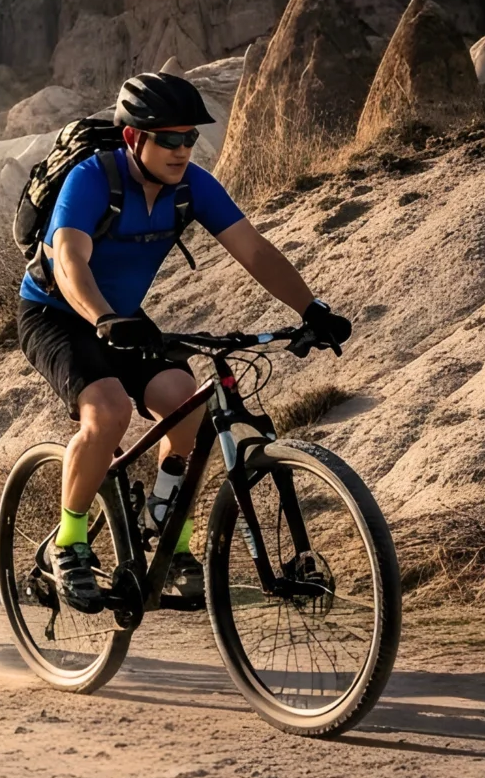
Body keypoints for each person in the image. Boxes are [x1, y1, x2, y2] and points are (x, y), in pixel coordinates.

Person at [21, 71, 353, 613]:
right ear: (134, 139)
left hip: (121, 318)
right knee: (106, 413)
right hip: (56, 311)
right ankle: (70, 543)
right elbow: (69, 261)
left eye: (190, 138)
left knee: (185, 400)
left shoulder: (192, 186)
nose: (183, 149)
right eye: (170, 138)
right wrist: (102, 316)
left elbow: (254, 250)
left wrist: (311, 308)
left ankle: (169, 534)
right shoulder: (91, 180)